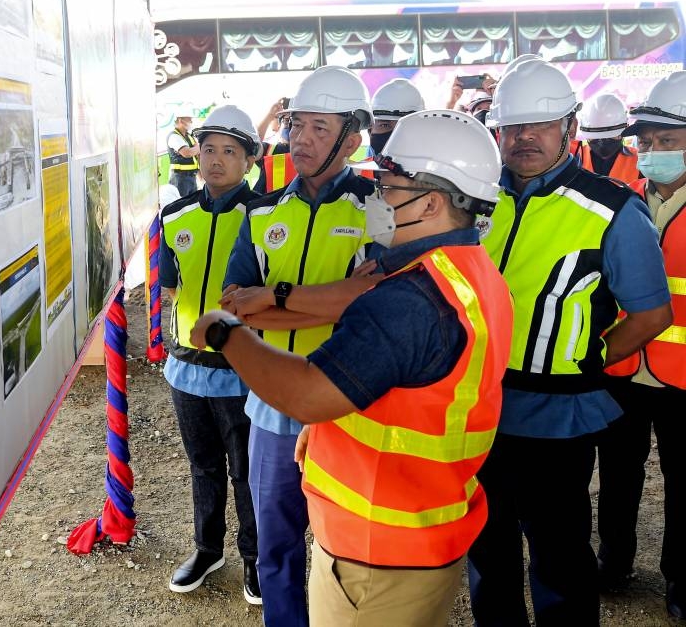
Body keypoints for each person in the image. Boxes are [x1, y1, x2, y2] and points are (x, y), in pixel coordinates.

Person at [194, 109, 515, 626]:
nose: (377, 201)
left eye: (388, 188)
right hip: (423, 524)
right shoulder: (471, 271)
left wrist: (222, 333)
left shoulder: (412, 298)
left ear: (430, 202)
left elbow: (306, 394)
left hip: (376, 551)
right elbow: (406, 393)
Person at [468, 58, 673, 625]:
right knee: (487, 553)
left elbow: (652, 312)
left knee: (560, 559)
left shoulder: (612, 209)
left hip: (558, 418)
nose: (523, 138)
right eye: (512, 127)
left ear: (570, 129)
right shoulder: (476, 199)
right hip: (479, 410)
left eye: (539, 126)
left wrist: (589, 356)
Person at [219, 65, 375, 627]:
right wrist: (325, 297)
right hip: (271, 403)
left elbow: (368, 301)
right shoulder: (261, 211)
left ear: (351, 139)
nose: (300, 139)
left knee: (348, 548)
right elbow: (234, 302)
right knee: (275, 543)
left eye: (318, 127)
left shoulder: (376, 209)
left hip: (346, 405)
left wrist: (271, 298)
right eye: (296, 124)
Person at [159, 105, 263, 604]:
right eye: (208, 149)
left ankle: (254, 559)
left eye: (230, 151)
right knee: (202, 465)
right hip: (186, 368)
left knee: (245, 469)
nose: (216, 160)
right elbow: (171, 288)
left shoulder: (264, 215)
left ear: (248, 160)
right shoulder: (175, 214)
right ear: (194, 153)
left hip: (242, 370)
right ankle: (207, 549)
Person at [597, 70, 686, 619]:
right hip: (626, 365)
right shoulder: (622, 202)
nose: (653, 151)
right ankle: (613, 563)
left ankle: (681, 579)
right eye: (647, 142)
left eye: (668, 141)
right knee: (618, 474)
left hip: (682, 375)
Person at [575, 93, 640, 184]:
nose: (601, 142)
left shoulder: (641, 161)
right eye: (595, 137)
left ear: (625, 130)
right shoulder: (574, 158)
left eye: (609, 136)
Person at [367, 77, 425, 156]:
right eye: (384, 125)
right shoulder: (360, 168)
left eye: (406, 126)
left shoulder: (438, 167)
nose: (394, 137)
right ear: (370, 130)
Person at [168, 108, 200, 197]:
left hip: (191, 177)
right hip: (179, 179)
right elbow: (187, 153)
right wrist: (198, 147)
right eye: (189, 119)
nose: (191, 121)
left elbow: (197, 154)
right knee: (181, 207)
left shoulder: (189, 136)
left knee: (191, 206)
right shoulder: (174, 136)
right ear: (180, 120)